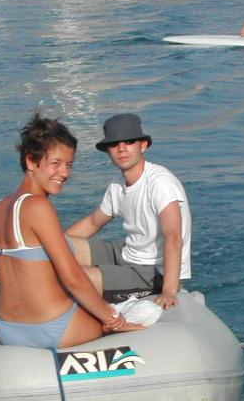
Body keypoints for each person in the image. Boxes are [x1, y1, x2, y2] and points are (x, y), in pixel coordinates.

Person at [0, 113, 138, 349]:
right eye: (55, 164)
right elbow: (73, 278)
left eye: (69, 164)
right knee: (122, 318)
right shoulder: (38, 206)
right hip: (52, 328)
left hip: (9, 330)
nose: (65, 173)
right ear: (31, 161)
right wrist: (112, 320)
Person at [67, 114, 191, 309]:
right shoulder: (117, 184)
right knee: (61, 247)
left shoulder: (160, 183)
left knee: (72, 278)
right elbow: (93, 222)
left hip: (154, 272)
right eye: (114, 143)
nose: (121, 148)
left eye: (129, 141)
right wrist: (52, 247)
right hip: (128, 253)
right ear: (108, 150)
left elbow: (173, 236)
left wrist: (169, 291)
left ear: (143, 145)